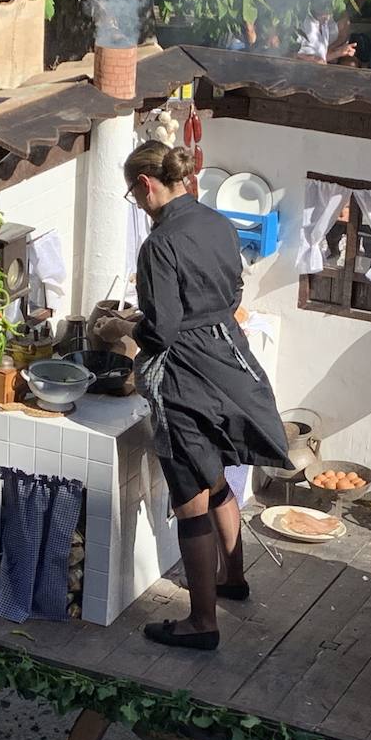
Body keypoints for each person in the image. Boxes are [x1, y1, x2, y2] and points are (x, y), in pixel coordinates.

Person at [121, 141, 289, 651]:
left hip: (186, 376)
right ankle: (231, 576)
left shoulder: (159, 244)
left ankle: (201, 622)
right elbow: (234, 292)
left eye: (134, 192)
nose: (137, 201)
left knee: (191, 497)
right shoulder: (217, 223)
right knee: (217, 478)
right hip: (227, 358)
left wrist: (130, 331)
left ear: (147, 185)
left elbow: (165, 327)